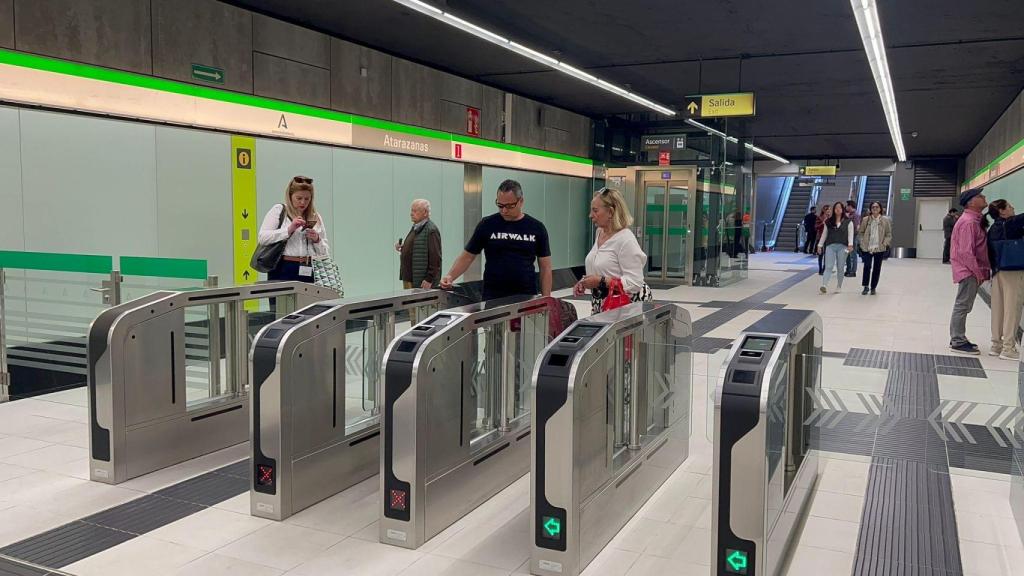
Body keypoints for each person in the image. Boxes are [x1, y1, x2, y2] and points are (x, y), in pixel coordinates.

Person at [441, 179, 552, 299]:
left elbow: (545, 267)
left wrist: (546, 299)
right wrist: (450, 276)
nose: (504, 211)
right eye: (500, 205)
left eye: (510, 206)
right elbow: (468, 256)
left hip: (526, 295)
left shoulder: (536, 228)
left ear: (521, 201)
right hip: (493, 296)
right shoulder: (487, 224)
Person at [574, 188, 652, 314]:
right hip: (602, 303)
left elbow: (635, 282)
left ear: (610, 212)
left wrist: (600, 281)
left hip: (623, 307)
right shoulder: (600, 233)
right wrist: (585, 281)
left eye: (595, 210)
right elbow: (605, 267)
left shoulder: (625, 239)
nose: (590, 215)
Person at [257, 176, 329, 283]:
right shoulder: (279, 210)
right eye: (299, 198)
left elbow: (325, 252)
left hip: (309, 268)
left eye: (307, 199)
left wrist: (317, 239)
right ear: (290, 196)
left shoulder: (315, 216)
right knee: (281, 300)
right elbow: (262, 238)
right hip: (283, 268)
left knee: (310, 300)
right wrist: (288, 230)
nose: (303, 203)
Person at [948, 187, 990, 355]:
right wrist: (978, 273)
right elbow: (966, 252)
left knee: (964, 304)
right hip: (969, 270)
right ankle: (957, 340)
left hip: (970, 270)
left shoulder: (973, 220)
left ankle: (959, 337)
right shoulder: (969, 222)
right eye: (980, 196)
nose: (984, 197)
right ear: (971, 202)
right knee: (963, 305)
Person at [985, 199, 1024, 360]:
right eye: (1009, 206)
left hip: (997, 272)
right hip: (1013, 272)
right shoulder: (1011, 224)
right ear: (1002, 211)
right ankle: (1008, 347)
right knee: (1012, 309)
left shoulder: (992, 229)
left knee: (998, 309)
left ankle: (996, 345)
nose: (1013, 207)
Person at [396, 199, 442, 289]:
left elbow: (435, 257)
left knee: (419, 303)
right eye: (411, 210)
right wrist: (404, 247)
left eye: (415, 211)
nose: (411, 213)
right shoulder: (416, 227)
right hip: (410, 278)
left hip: (421, 282)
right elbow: (418, 248)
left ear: (425, 212)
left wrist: (429, 279)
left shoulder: (431, 230)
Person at [817, 201, 853, 294]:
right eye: (836, 207)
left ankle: (839, 286)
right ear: (834, 209)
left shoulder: (848, 221)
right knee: (828, 266)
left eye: (840, 207)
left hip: (843, 246)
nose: (838, 209)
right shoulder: (828, 222)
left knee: (840, 267)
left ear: (843, 209)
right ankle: (824, 285)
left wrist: (850, 245)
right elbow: (824, 234)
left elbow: (850, 234)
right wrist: (820, 245)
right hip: (830, 246)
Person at [857, 201, 892, 295]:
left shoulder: (885, 220)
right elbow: (861, 233)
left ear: (880, 209)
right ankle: (865, 286)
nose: (875, 209)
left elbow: (888, 234)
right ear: (870, 209)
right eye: (873, 207)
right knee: (867, 266)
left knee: (877, 268)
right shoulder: (866, 220)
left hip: (879, 248)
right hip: (867, 247)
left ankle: (873, 287)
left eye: (877, 207)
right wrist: (861, 242)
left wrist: (885, 243)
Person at [844, 200, 862, 277]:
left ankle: (853, 271)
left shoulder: (856, 215)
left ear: (850, 206)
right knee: (847, 254)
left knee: (853, 254)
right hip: (847, 236)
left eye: (847, 206)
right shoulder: (849, 214)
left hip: (853, 236)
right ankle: (848, 269)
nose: (846, 207)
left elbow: (856, 227)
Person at [816, 205, 829, 274]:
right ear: (824, 210)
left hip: (828, 238)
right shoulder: (819, 217)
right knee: (820, 254)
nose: (829, 211)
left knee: (827, 254)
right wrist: (822, 223)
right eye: (827, 210)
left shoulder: (830, 218)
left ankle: (824, 268)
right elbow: (816, 227)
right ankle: (820, 269)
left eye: (829, 210)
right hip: (820, 237)